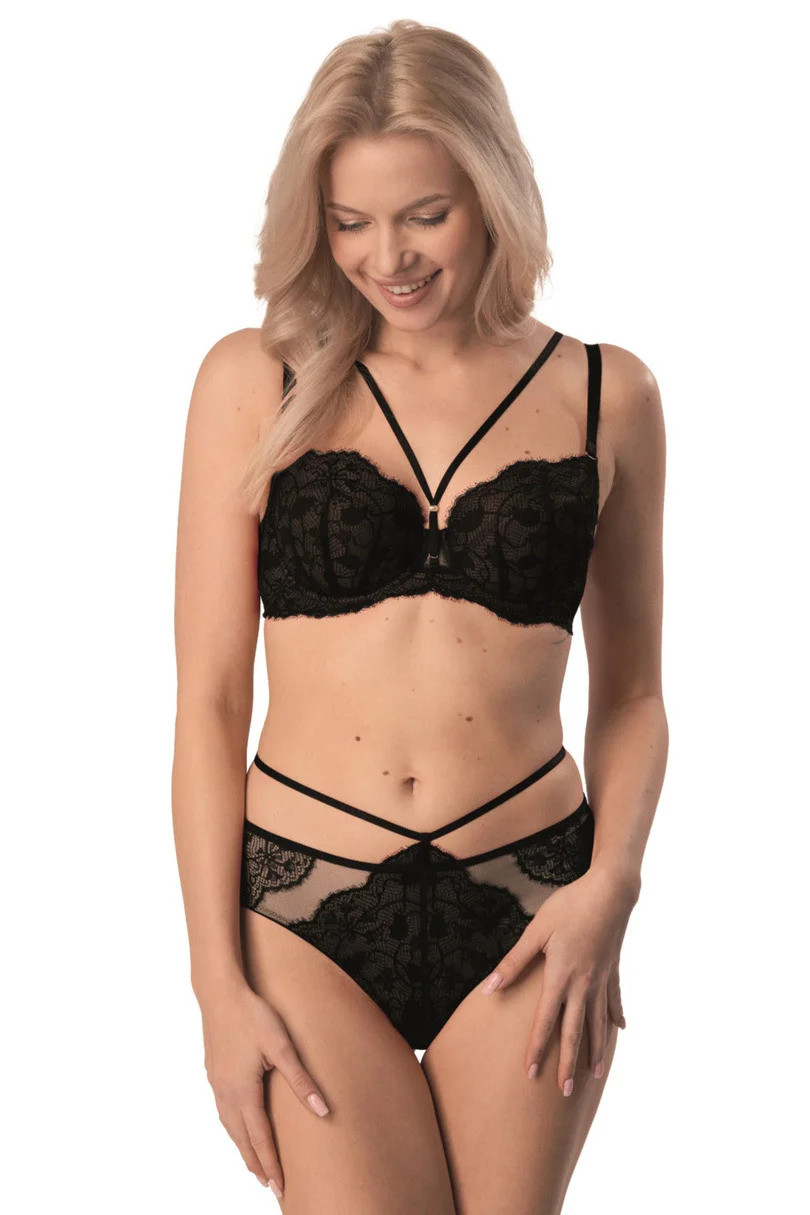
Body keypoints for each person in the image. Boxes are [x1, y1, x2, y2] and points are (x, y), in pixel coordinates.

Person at [172, 18, 667, 1213]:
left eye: (424, 215)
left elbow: (635, 693)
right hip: (304, 904)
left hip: (536, 900)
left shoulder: (608, 394)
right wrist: (216, 988)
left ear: (492, 192)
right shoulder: (257, 379)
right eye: (349, 222)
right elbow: (209, 704)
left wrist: (612, 884)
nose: (385, 257)